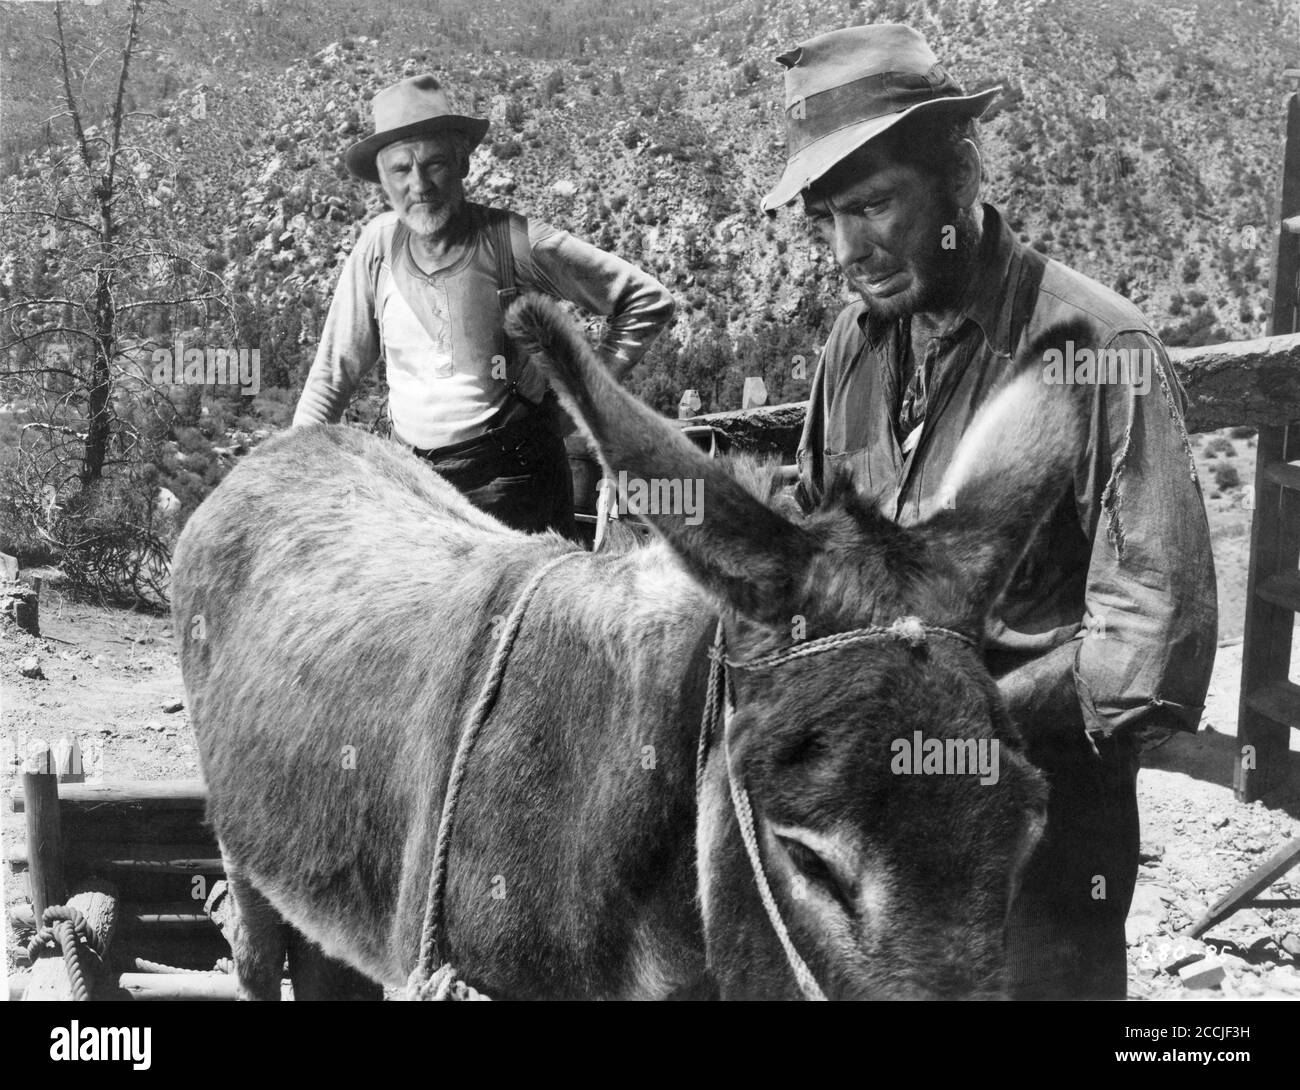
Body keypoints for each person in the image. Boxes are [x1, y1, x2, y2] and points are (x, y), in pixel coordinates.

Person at [764, 24, 1218, 999]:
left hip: (1044, 828)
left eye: (877, 203)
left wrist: (949, 725)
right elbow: (820, 548)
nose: (850, 249)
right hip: (883, 842)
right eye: (828, 217)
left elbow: (1152, 634)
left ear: (957, 177)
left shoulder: (1097, 349)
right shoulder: (856, 345)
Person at [293, 75, 675, 536]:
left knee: (517, 608)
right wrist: (295, 478)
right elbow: (332, 377)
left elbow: (646, 300)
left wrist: (583, 398)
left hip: (514, 487)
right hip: (412, 488)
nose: (419, 184)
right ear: (383, 182)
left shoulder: (516, 243)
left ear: (463, 163)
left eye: (433, 163)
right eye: (400, 169)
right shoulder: (377, 247)